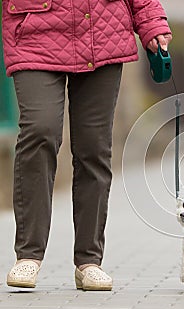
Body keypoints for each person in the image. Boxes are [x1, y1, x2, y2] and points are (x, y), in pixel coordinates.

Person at [1, 0, 172, 291]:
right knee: (40, 131)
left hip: (102, 30)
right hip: (35, 29)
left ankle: (89, 261)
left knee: (94, 148)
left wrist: (152, 23)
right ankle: (28, 254)